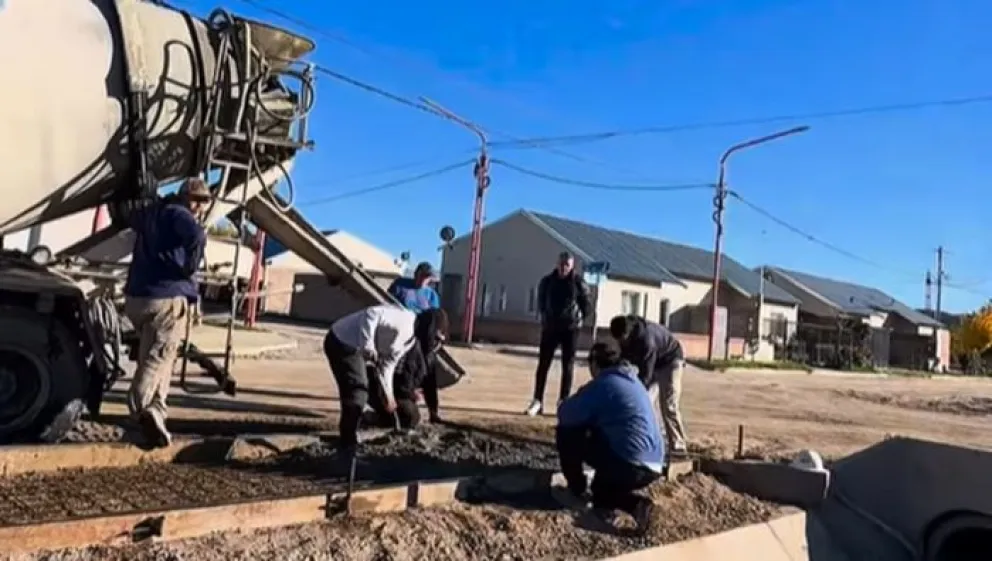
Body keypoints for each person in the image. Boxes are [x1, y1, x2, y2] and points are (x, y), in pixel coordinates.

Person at [123, 177, 210, 448]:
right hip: (166, 299)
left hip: (138, 296)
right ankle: (140, 407)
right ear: (187, 198)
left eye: (204, 202)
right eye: (198, 200)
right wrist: (189, 267)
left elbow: (128, 216)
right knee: (157, 358)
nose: (201, 207)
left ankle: (157, 413)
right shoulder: (179, 214)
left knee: (163, 357)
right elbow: (196, 235)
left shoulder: (153, 212)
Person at [556, 342, 662, 535]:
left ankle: (576, 488)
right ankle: (637, 505)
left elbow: (566, 414)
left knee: (567, 432)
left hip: (630, 463)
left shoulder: (604, 384)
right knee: (601, 494)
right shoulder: (633, 381)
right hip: (654, 464)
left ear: (595, 363)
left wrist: (574, 398)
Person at [324, 304, 448, 450]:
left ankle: (353, 433)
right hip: (342, 341)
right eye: (436, 337)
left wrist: (389, 397)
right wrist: (368, 344)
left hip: (357, 349)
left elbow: (387, 366)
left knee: (370, 394)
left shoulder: (409, 341)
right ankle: (347, 441)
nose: (436, 343)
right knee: (358, 390)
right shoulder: (404, 320)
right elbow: (371, 314)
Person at [609, 314, 689, 457]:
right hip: (655, 361)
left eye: (622, 340)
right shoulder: (625, 334)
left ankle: (678, 446)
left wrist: (633, 392)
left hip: (671, 361)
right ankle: (648, 441)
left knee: (668, 405)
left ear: (627, 334)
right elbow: (624, 361)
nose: (621, 343)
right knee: (646, 404)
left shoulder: (647, 341)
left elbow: (646, 376)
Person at [526, 251, 591, 416]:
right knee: (543, 365)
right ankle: (537, 401)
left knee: (567, 366)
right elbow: (541, 302)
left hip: (570, 329)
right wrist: (546, 318)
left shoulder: (578, 283)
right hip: (550, 328)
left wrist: (577, 319)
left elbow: (587, 306)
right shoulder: (547, 282)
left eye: (566, 265)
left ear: (572, 266)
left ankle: (564, 401)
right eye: (561, 264)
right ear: (557, 264)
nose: (563, 268)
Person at [364, 308, 447, 431]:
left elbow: (430, 384)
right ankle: (372, 417)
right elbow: (397, 379)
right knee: (411, 417)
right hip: (382, 387)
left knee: (410, 413)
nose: (437, 344)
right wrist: (410, 394)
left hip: (402, 392)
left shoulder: (430, 355)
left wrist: (433, 411)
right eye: (436, 338)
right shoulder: (407, 343)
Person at [387, 261, 443, 423]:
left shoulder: (431, 295)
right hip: (402, 334)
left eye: (427, 278)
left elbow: (436, 319)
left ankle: (434, 412)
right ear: (415, 274)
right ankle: (396, 404)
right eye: (421, 276)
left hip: (423, 337)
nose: (423, 281)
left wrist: (438, 336)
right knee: (402, 371)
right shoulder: (400, 286)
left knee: (429, 373)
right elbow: (387, 303)